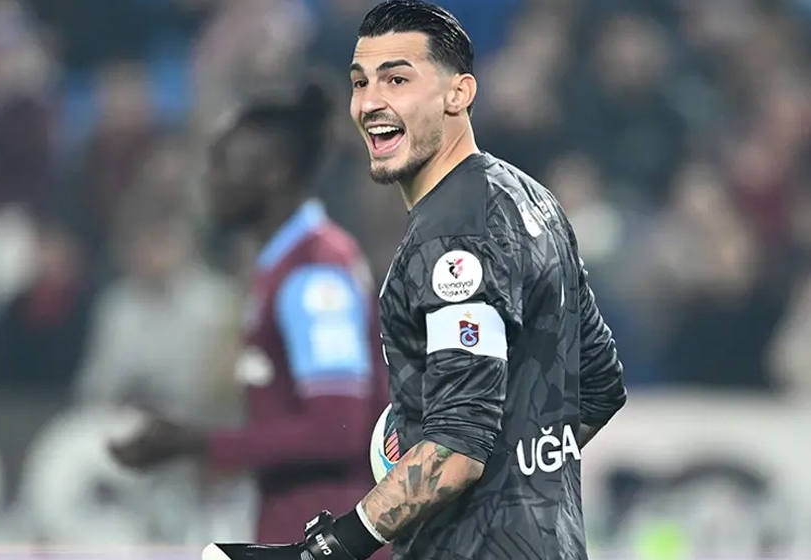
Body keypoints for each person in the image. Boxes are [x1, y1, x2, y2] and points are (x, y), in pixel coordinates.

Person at [204, 1, 627, 559]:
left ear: (458, 94)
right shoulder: (532, 200)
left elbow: (455, 448)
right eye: (360, 83)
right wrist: (507, 468)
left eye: (397, 80)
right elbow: (598, 387)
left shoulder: (451, 234)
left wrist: (323, 551)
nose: (370, 103)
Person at [107, 79, 390, 554]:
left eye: (224, 163)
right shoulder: (283, 266)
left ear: (274, 173)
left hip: (330, 530)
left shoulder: (315, 275)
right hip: (296, 525)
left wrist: (197, 444)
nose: (210, 181)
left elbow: (338, 429)